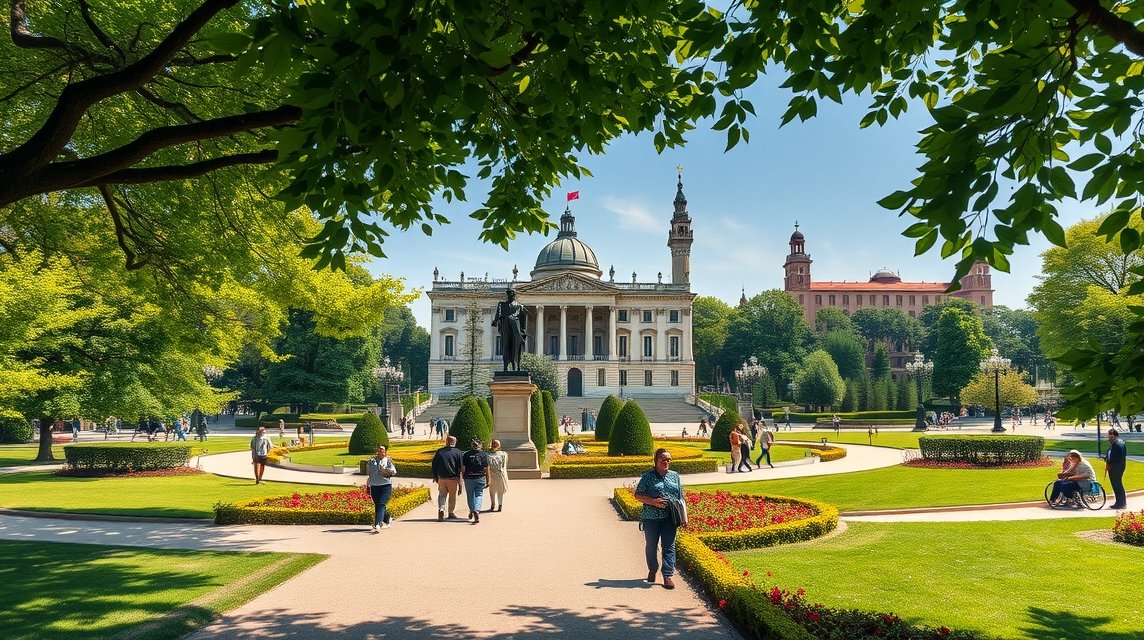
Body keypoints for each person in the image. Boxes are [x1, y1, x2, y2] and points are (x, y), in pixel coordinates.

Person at [634, 448, 684, 590]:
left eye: (668, 459)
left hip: (670, 517)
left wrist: (684, 516)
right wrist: (653, 501)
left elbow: (680, 497)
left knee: (669, 546)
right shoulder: (648, 477)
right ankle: (652, 569)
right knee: (651, 545)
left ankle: (667, 575)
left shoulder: (675, 476)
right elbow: (637, 495)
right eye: (663, 458)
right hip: (651, 518)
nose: (666, 461)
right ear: (656, 460)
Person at [492, 288, 528, 372]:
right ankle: (505, 366)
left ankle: (517, 366)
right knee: (506, 346)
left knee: (517, 346)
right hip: (506, 326)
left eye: (511, 294)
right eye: (508, 294)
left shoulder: (519, 306)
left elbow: (523, 319)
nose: (510, 296)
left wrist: (523, 329)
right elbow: (498, 314)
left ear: (514, 295)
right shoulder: (502, 304)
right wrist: (495, 321)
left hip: (516, 327)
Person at [431, 435, 464, 520]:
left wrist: (435, 476)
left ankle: (441, 509)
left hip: (442, 478)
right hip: (453, 478)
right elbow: (461, 467)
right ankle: (450, 512)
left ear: (447, 441)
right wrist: (460, 482)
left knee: (442, 495)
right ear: (453, 442)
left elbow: (434, 464)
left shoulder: (439, 451)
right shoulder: (458, 452)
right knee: (453, 496)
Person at [365, 445, 397, 532]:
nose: (381, 453)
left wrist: (385, 470)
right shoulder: (372, 461)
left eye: (382, 451)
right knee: (378, 505)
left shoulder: (388, 461)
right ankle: (387, 518)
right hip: (374, 486)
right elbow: (369, 473)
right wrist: (368, 484)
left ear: (385, 452)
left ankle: (378, 524)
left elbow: (394, 471)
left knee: (381, 504)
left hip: (385, 486)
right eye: (379, 451)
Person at [461, 439, 491, 523]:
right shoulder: (484, 454)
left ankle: (472, 510)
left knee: (470, 496)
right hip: (480, 477)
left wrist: (463, 476)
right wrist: (488, 480)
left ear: (472, 445)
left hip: (469, 477)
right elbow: (487, 469)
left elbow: (463, 468)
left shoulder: (466, 454)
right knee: (479, 495)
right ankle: (476, 510)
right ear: (480, 445)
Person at [1103, 428, 1128, 509]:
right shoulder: (1116, 444)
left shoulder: (1117, 444)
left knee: (1117, 485)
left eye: (1109, 435)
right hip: (1115, 467)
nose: (1108, 437)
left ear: (1113, 435)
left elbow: (1116, 457)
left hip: (1116, 468)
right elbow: (1110, 454)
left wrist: (1109, 461)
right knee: (1117, 485)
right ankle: (1120, 503)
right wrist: (1106, 458)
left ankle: (1120, 504)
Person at [487, 439, 509, 512]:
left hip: (500, 474)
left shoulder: (503, 454)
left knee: (500, 491)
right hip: (491, 475)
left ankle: (500, 505)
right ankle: (493, 504)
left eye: (496, 444)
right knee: (492, 491)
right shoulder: (487, 454)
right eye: (494, 443)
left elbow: (504, 466)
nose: (494, 445)